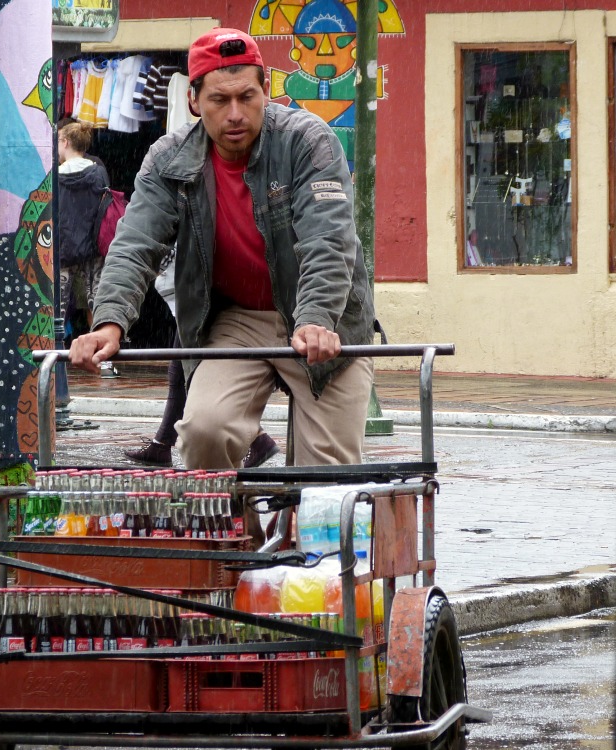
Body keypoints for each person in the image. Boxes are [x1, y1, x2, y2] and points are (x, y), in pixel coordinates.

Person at [70, 28, 376, 544]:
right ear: (193, 101)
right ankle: (240, 548)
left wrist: (318, 318)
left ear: (265, 90)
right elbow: (135, 241)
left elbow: (329, 239)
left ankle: (316, 568)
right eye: (219, 99)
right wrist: (109, 320)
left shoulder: (307, 141)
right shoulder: (168, 160)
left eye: (246, 97)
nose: (235, 113)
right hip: (234, 319)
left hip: (324, 319)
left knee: (328, 483)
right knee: (204, 434)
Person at [124, 248, 280, 468]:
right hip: (197, 290)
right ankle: (163, 442)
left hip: (204, 290)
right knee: (186, 372)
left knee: (186, 368)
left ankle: (163, 443)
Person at [56, 121, 118, 377]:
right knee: (96, 301)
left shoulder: (53, 176)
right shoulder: (98, 172)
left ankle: (55, 360)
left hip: (63, 249)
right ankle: (102, 359)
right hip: (92, 247)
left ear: (66, 143)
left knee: (58, 306)